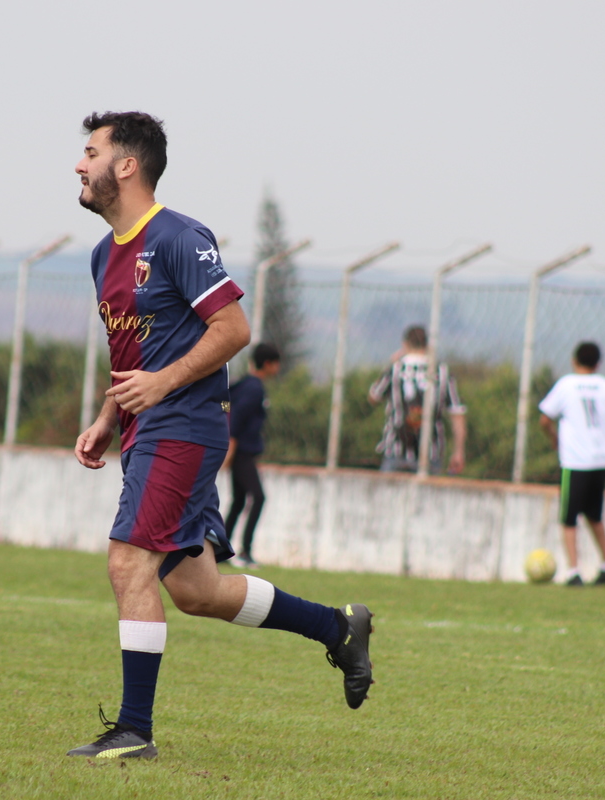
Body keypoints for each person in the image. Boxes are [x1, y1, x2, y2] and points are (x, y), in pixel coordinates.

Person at [69, 111, 373, 760]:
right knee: (196, 592)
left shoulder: (179, 238)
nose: (79, 165)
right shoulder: (103, 255)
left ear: (127, 165)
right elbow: (132, 354)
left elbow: (233, 329)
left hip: (183, 428)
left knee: (128, 562)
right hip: (148, 429)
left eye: (91, 153)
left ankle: (135, 731)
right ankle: (338, 628)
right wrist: (107, 417)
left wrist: (161, 386)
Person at [538, 341, 605, 587]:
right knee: (595, 515)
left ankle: (574, 571)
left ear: (574, 360)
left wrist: (554, 438)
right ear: (598, 364)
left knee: (568, 517)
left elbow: (544, 420)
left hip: (575, 461)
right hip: (602, 460)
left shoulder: (566, 385)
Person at [367, 325, 466, 473]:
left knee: (388, 488)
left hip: (396, 448)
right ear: (427, 345)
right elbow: (457, 413)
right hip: (431, 451)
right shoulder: (442, 372)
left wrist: (391, 363)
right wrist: (459, 451)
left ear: (405, 344)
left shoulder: (395, 369)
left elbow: (374, 397)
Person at [223, 342, 281, 568]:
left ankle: (220, 548)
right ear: (268, 364)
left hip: (241, 451)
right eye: (276, 364)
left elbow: (225, 403)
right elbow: (237, 417)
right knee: (258, 497)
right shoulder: (254, 388)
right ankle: (245, 551)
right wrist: (230, 446)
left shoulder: (243, 384)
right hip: (242, 453)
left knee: (239, 500)